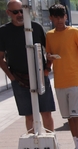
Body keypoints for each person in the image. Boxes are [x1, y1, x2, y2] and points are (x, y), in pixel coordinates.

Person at [46, 3, 78, 149]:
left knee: (76, 115)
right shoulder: (50, 35)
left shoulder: (74, 32)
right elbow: (48, 56)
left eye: (62, 16)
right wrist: (49, 59)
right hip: (60, 81)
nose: (60, 20)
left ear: (66, 17)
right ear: (51, 18)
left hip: (75, 80)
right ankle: (76, 148)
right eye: (56, 17)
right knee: (69, 118)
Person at [0, 0, 56, 133]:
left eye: (22, 11)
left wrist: (47, 69)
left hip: (41, 77)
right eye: (15, 12)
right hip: (19, 79)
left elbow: (50, 51)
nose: (20, 14)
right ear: (8, 13)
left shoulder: (36, 27)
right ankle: (33, 144)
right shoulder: (4, 31)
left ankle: (51, 143)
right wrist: (11, 77)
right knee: (29, 115)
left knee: (46, 112)